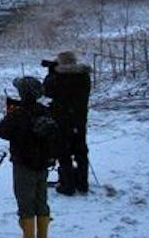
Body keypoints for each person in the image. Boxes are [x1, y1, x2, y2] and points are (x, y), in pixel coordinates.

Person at [0, 77, 54, 238]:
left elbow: (2, 132)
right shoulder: (44, 110)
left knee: (25, 204)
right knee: (41, 201)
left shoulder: (18, 114)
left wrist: (10, 113)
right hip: (42, 164)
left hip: (23, 165)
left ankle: (28, 235)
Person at [42, 50, 91, 195]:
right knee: (81, 151)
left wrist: (52, 71)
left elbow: (47, 91)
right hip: (80, 119)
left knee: (63, 153)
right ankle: (83, 184)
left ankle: (67, 185)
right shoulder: (84, 76)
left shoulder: (58, 78)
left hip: (62, 120)